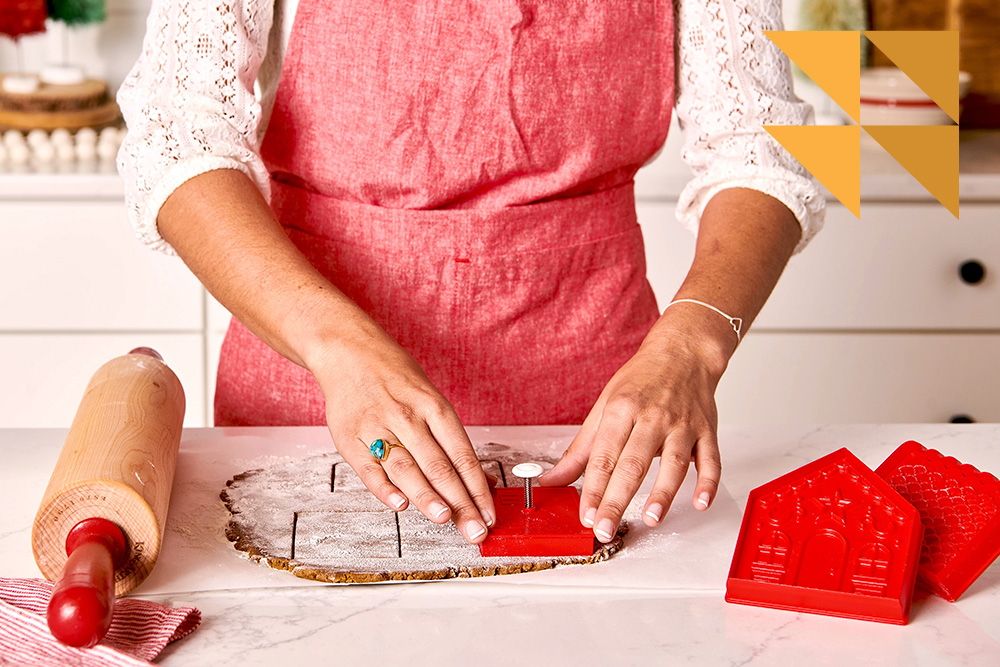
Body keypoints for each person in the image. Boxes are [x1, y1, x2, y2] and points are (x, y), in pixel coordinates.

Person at [118, 0, 824, 548]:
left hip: (598, 429)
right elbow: (176, 138)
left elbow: (762, 150)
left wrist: (694, 344)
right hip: (313, 390)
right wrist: (338, 350)